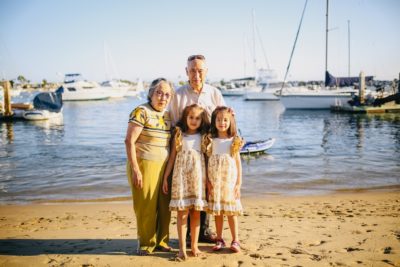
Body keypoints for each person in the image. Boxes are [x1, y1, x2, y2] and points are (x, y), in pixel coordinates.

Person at [169, 54, 226, 243]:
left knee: (207, 187)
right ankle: (187, 234)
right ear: (186, 71)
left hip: (210, 148)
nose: (196, 74)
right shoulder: (179, 94)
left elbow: (224, 118)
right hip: (187, 149)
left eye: (200, 70)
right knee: (189, 188)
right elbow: (174, 122)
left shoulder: (214, 93)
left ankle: (204, 230)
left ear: (206, 71)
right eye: (192, 70)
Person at [124, 78, 174, 255]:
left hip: (165, 167)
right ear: (151, 94)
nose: (163, 97)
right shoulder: (141, 111)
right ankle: (146, 243)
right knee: (146, 206)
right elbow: (129, 141)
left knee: (164, 206)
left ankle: (162, 241)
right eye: (159, 93)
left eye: (167, 94)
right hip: (144, 165)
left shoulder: (169, 115)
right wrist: (136, 169)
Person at [162, 104, 210, 260]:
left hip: (197, 178)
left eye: (197, 118)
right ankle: (182, 249)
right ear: (185, 117)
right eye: (191, 117)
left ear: (202, 120)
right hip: (181, 177)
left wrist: (209, 181)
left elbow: (209, 158)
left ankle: (194, 246)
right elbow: (172, 158)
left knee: (196, 213)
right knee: (182, 214)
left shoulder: (204, 137)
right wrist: (165, 177)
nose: (194, 121)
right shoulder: (179, 134)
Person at [205, 106, 244, 253]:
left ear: (231, 121)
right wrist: (208, 182)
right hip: (215, 180)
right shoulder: (211, 139)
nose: (222, 122)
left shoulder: (234, 140)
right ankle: (220, 238)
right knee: (218, 212)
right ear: (214, 121)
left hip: (229, 181)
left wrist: (238, 184)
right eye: (219, 119)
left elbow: (238, 163)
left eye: (225, 120)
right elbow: (208, 161)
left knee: (231, 211)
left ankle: (235, 240)